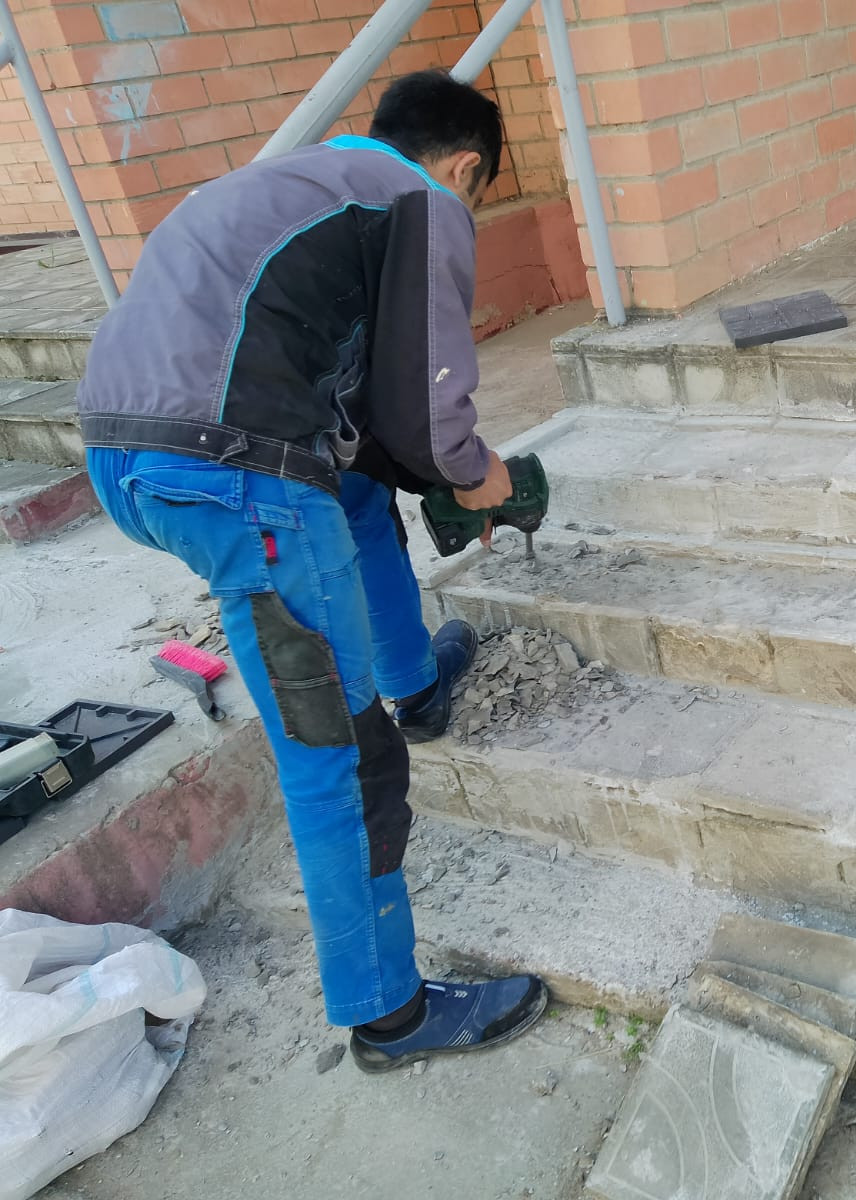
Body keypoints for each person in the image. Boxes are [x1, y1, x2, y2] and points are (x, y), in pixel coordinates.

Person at [79, 71, 547, 1073]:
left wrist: (427, 471)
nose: (465, 212)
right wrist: (483, 478)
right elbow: (430, 416)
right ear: (464, 166)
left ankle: (417, 683)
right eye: (475, 192)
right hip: (235, 478)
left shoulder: (302, 183)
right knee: (340, 752)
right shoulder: (421, 200)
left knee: (358, 493)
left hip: (124, 453)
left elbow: (372, 427)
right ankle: (390, 1015)